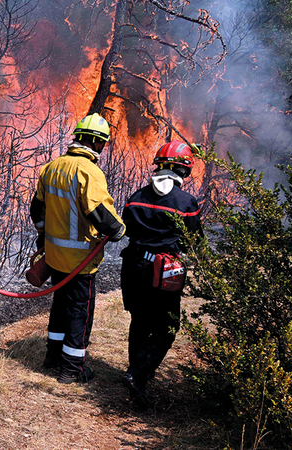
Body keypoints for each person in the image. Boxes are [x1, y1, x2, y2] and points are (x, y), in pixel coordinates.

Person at [29, 112, 126, 384]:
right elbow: (100, 214)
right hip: (81, 260)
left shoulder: (52, 166)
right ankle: (72, 368)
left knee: (60, 305)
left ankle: (52, 357)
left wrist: (43, 236)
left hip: (55, 256)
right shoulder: (90, 172)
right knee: (79, 312)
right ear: (96, 142)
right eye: (102, 143)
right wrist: (119, 229)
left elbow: (36, 209)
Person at [120, 140, 201, 408]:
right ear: (184, 170)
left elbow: (127, 228)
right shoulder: (186, 202)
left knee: (140, 321)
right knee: (167, 327)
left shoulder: (136, 196)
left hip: (133, 266)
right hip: (162, 271)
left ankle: (137, 381)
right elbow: (194, 242)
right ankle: (138, 373)